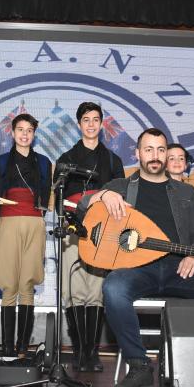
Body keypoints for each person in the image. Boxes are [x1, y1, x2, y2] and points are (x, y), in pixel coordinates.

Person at [78, 128, 194, 387]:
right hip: (137, 269)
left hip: (181, 268)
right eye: (149, 149)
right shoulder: (120, 187)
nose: (155, 155)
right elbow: (83, 207)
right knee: (113, 288)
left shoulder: (187, 192)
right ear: (137, 154)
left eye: (161, 150)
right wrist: (102, 195)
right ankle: (139, 366)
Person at [54, 102, 125, 372]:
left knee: (95, 292)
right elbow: (59, 202)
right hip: (73, 229)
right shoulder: (65, 159)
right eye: (86, 119)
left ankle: (93, 353)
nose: (91, 124)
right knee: (73, 292)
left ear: (102, 123)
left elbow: (123, 201)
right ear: (79, 124)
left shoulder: (113, 161)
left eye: (96, 119)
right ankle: (79, 352)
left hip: (103, 233)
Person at [0, 113, 52, 357]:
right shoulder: (1, 161)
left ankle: (23, 348)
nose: (24, 134)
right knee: (9, 283)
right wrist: (6, 216)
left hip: (35, 221)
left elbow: (45, 194)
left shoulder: (44, 162)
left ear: (34, 134)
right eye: (20, 130)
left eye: (29, 130)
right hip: (8, 221)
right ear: (12, 132)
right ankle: (7, 348)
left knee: (28, 282)